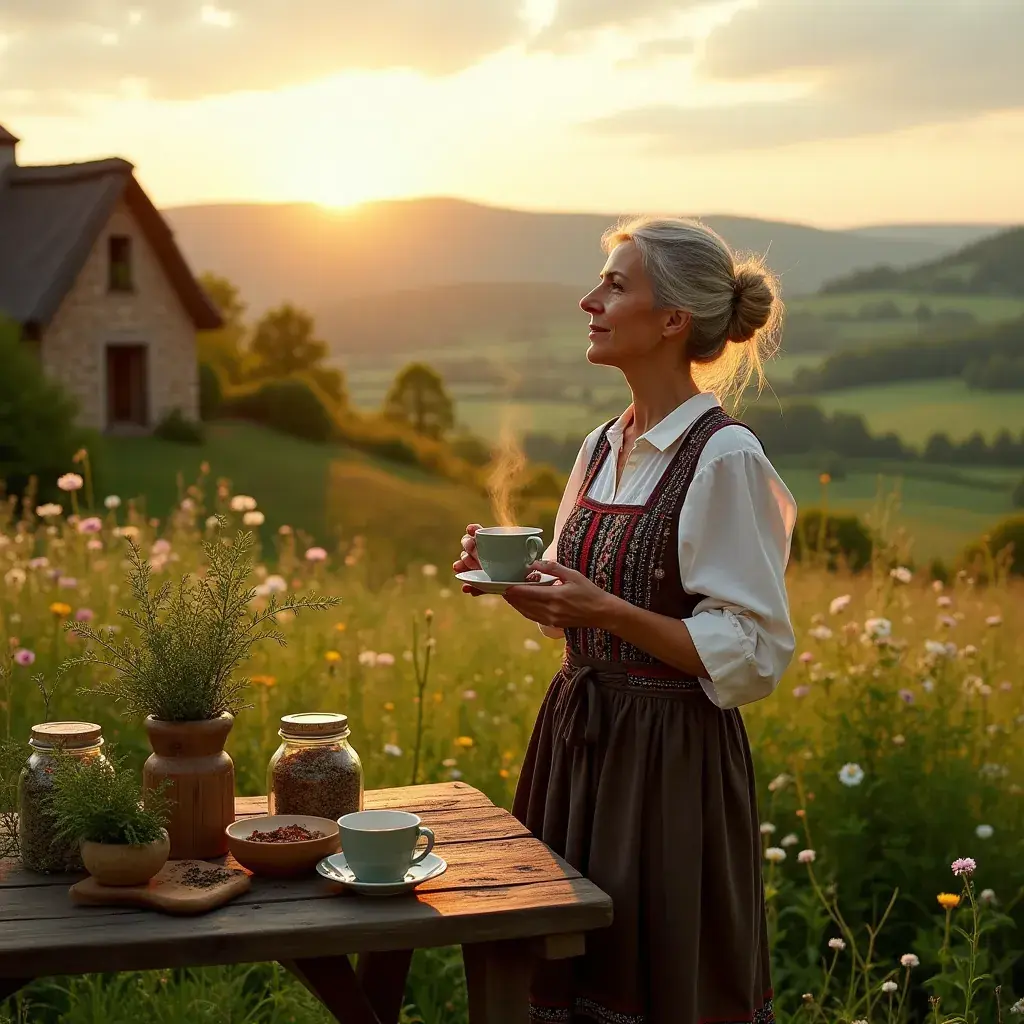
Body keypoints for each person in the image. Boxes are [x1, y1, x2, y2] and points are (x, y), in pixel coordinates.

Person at [454, 216, 796, 1024]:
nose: (589, 300)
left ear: (673, 320)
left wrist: (601, 607)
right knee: (566, 973)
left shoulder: (725, 457)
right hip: (580, 744)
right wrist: (527, 588)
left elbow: (750, 655)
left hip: (671, 764)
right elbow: (578, 618)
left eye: (615, 284)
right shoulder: (602, 446)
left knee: (652, 980)